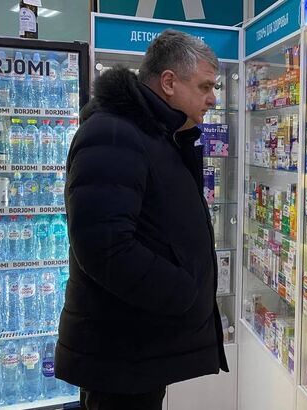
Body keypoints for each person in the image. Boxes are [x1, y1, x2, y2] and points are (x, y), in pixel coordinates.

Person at [56, 30, 228, 410]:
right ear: (168, 82)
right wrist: (183, 292)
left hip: (140, 348)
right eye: (204, 86)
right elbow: (104, 247)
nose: (212, 98)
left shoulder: (159, 135)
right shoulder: (114, 133)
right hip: (119, 356)